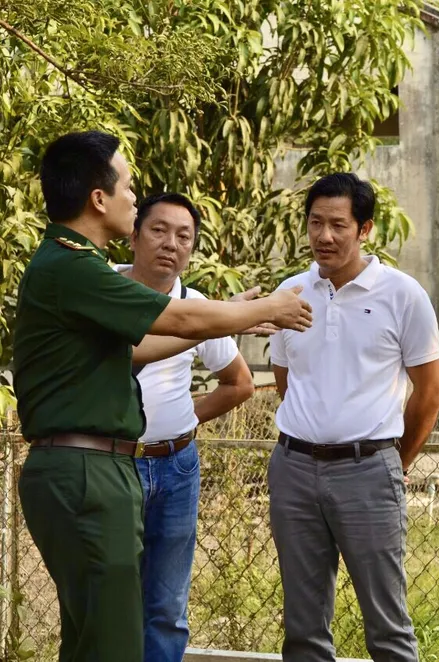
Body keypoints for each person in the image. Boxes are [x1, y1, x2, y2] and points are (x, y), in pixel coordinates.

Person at [13, 130, 313, 662]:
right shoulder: (77, 267)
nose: (133, 196)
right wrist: (265, 308)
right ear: (98, 198)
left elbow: (148, 343)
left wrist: (226, 313)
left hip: (89, 468)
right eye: (128, 187)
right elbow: (182, 316)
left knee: (95, 637)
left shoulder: (69, 266)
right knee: (114, 643)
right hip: (86, 470)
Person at [267, 173, 439, 662]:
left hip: (369, 471)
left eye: (338, 225)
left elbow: (430, 393)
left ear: (365, 229)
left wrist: (392, 460)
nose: (325, 236)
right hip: (293, 469)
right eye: (315, 222)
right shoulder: (290, 293)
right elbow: (286, 381)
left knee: (386, 626)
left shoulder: (402, 294)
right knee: (302, 626)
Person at [115, 192, 259, 662]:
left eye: (184, 237)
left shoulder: (195, 304)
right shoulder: (104, 290)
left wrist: (178, 420)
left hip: (177, 469)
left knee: (167, 605)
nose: (170, 244)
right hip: (111, 466)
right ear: (134, 236)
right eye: (158, 230)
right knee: (110, 602)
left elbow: (239, 384)